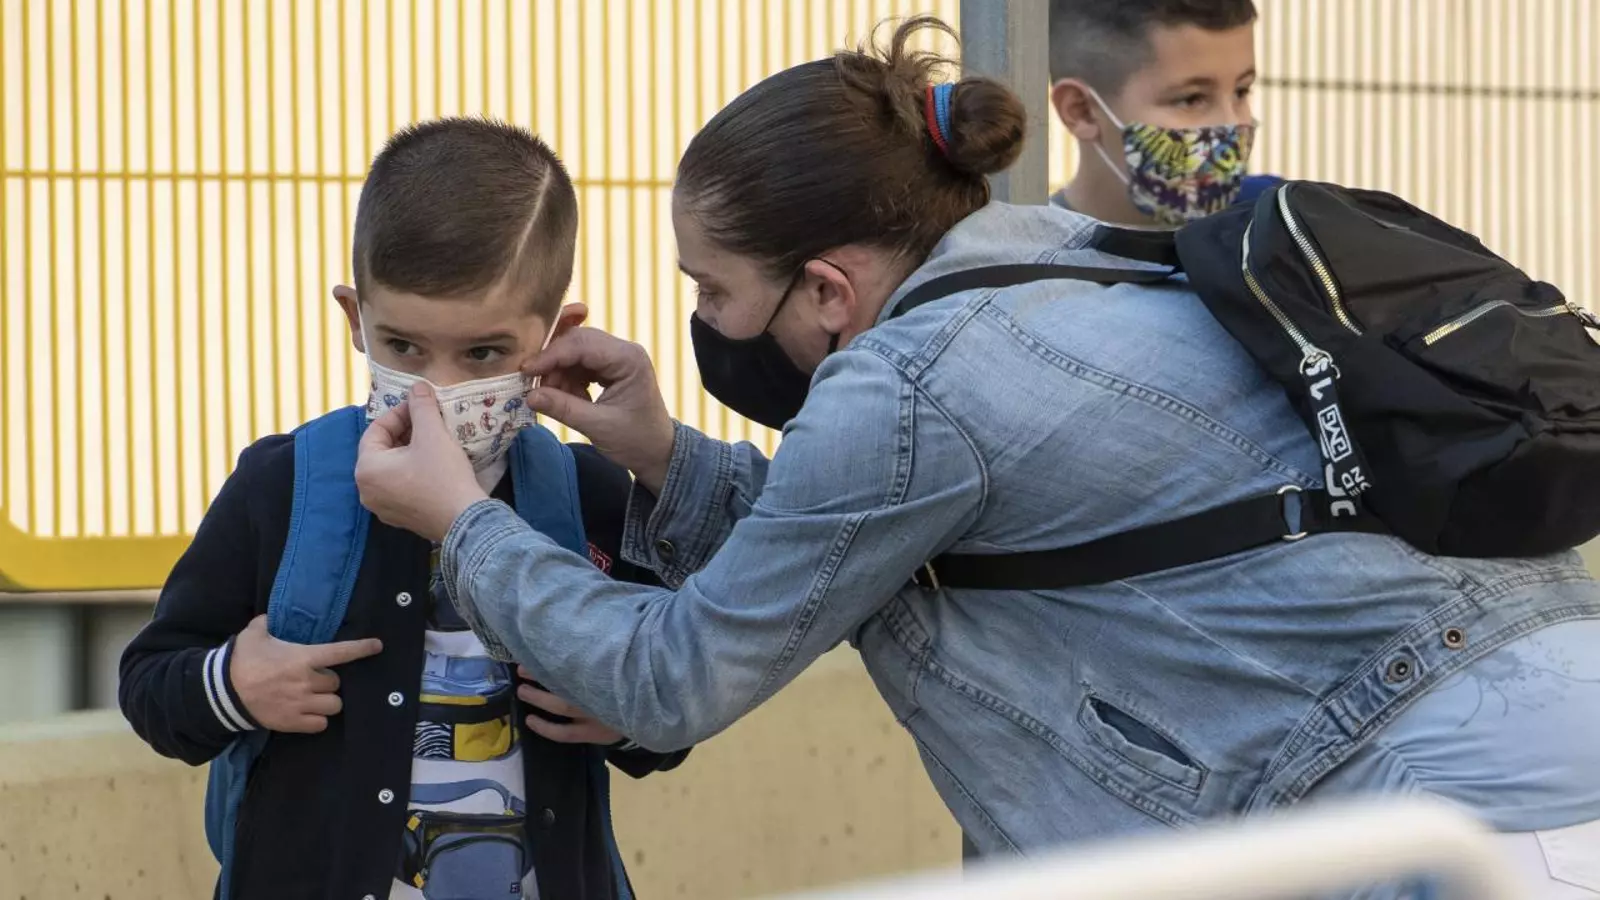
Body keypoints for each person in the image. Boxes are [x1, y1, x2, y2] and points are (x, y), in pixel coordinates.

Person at [353, 19, 1600, 899]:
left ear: (826, 290)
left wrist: (463, 521)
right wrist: (661, 452)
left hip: (1447, 815)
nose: (706, 322)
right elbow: (851, 552)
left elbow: (668, 677)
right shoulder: (1075, 258)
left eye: (714, 290)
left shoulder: (904, 379)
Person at [119, 118, 685, 900]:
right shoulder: (282, 487)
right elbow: (149, 684)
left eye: (483, 353)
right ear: (356, 319)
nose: (436, 390)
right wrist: (235, 685)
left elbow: (675, 703)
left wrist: (627, 714)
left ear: (558, 335)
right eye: (404, 347)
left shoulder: (591, 496)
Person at [1048, 0, 1280, 226]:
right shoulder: (1039, 247)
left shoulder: (1276, 218)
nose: (1233, 122)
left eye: (1241, 91)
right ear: (1082, 111)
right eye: (1192, 99)